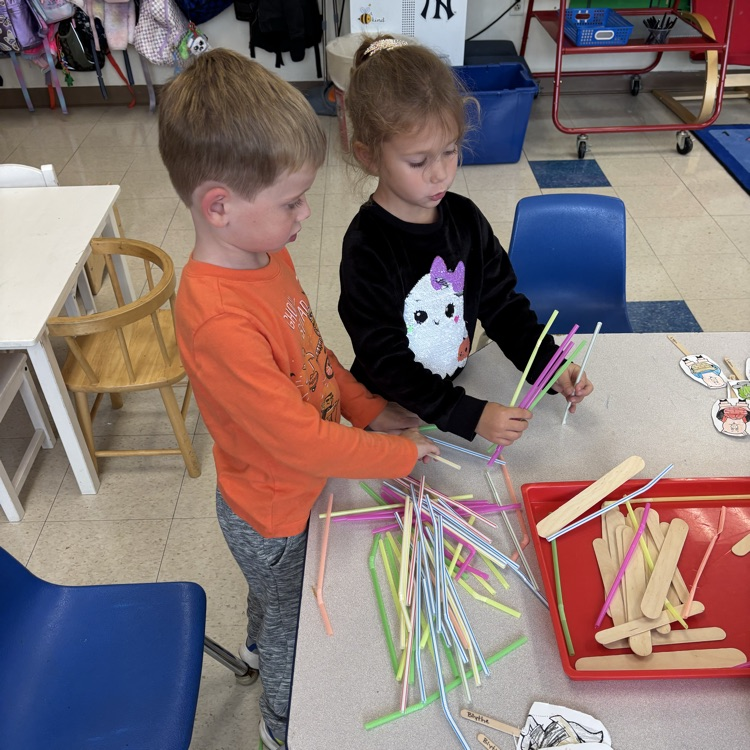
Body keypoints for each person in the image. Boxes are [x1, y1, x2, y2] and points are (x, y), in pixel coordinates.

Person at [157, 49, 438, 750]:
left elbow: (313, 355)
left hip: (293, 489)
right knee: (293, 625)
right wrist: (394, 453)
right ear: (219, 206)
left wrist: (367, 407)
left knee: (270, 605)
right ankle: (285, 729)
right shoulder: (218, 318)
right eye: (290, 202)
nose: (305, 215)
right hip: (273, 512)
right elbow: (297, 440)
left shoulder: (264, 253)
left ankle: (251, 647)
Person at [338, 36, 593, 447]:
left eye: (450, 151)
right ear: (369, 156)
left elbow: (504, 307)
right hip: (392, 409)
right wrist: (468, 414)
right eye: (418, 161)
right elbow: (385, 361)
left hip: (451, 393)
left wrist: (547, 363)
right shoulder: (367, 246)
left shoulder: (465, 220)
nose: (439, 174)